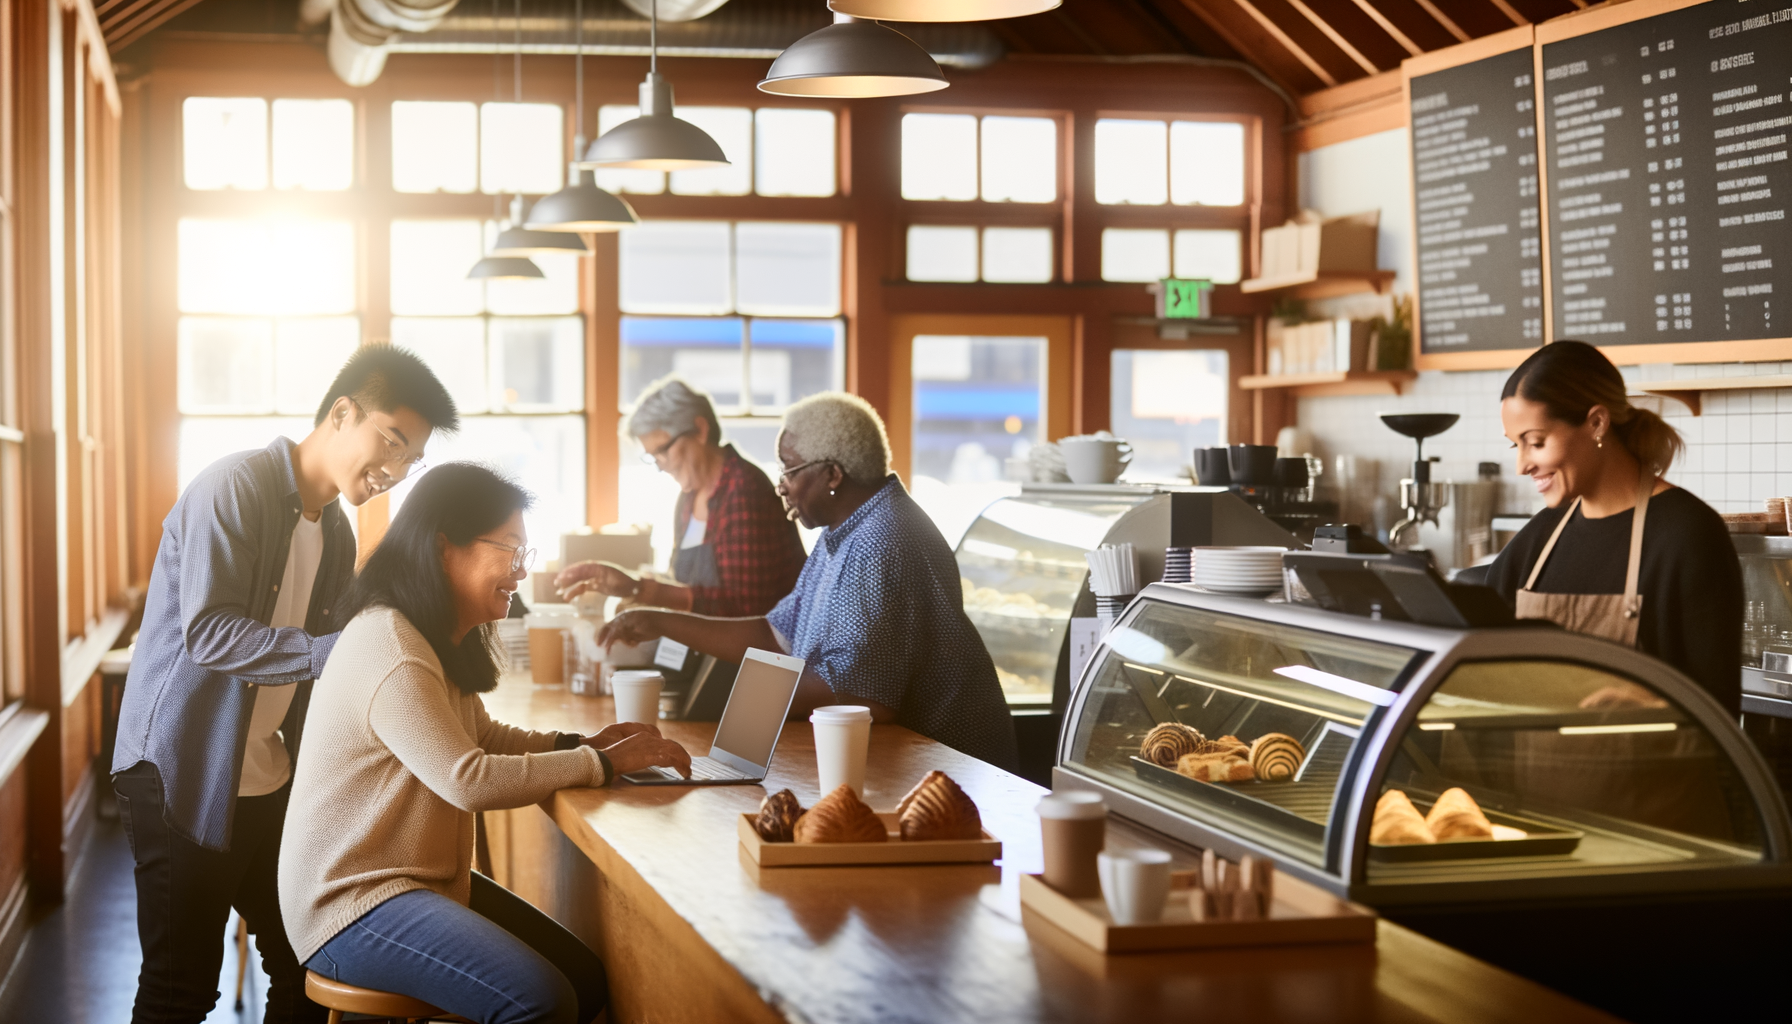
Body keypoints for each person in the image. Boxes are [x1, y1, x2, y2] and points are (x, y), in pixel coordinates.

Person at [111, 346, 460, 1024]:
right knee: (181, 989)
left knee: (309, 961)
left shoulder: (332, 528)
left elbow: (329, 651)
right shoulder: (234, 486)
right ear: (341, 412)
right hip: (180, 771)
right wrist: (345, 651)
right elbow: (210, 634)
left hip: (265, 773)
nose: (394, 470)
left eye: (410, 460)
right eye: (391, 441)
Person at [280, 463, 690, 1024]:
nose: (522, 571)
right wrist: (598, 762)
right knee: (543, 1002)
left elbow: (484, 738)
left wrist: (579, 741)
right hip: (352, 903)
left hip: (411, 882)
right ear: (444, 546)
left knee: (585, 983)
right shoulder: (392, 642)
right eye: (511, 550)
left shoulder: (431, 634)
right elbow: (465, 778)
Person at [599, 392, 1020, 771]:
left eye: (789, 471)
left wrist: (737, 718)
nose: (781, 487)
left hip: (942, 765)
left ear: (832, 475)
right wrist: (660, 621)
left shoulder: (882, 541)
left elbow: (863, 697)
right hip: (896, 758)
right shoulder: (843, 531)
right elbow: (774, 632)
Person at [1484, 340, 1742, 714]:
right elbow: (1475, 634)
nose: (1522, 465)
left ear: (1597, 423)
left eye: (1535, 443)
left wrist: (1653, 705)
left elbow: (1719, 710)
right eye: (1516, 447)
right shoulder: (1541, 538)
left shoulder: (1687, 535)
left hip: (1645, 771)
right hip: (1538, 771)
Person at [556, 377, 805, 617]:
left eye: (663, 451)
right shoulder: (688, 499)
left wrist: (640, 589)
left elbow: (743, 610)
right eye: (652, 457)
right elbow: (681, 583)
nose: (660, 466)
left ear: (700, 429)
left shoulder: (744, 491)